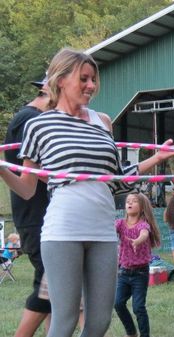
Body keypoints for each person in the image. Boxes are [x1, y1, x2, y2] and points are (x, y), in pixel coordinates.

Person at [0, 48, 174, 337]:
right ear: (61, 80)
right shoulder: (39, 124)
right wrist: (1, 168)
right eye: (83, 79)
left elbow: (117, 181)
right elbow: (26, 189)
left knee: (99, 323)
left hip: (102, 231)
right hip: (62, 231)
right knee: (65, 321)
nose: (91, 86)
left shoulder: (103, 122)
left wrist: (155, 159)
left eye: (93, 79)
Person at [3, 78, 52, 337]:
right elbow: (36, 170)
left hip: (45, 215)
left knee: (54, 291)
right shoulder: (29, 120)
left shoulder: (33, 118)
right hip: (36, 216)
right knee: (51, 282)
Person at [114, 193, 161, 337]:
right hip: (123, 272)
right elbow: (108, 229)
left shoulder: (143, 224)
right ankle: (131, 332)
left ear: (142, 207)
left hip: (140, 273)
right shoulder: (120, 223)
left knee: (138, 307)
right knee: (118, 304)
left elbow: (144, 234)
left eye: (134, 201)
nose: (130, 203)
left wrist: (137, 241)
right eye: (128, 201)